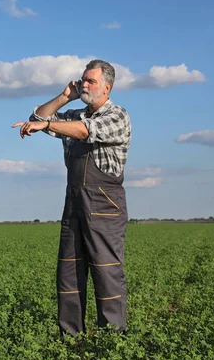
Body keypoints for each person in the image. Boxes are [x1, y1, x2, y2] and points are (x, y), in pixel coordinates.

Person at [12, 59, 131, 337]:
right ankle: (70, 338)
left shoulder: (117, 116)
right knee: (69, 274)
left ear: (107, 87)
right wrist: (65, 96)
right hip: (74, 205)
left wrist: (48, 126)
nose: (85, 85)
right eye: (83, 80)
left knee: (107, 273)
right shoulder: (75, 112)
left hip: (105, 207)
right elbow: (40, 118)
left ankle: (112, 341)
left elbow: (84, 131)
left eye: (91, 81)